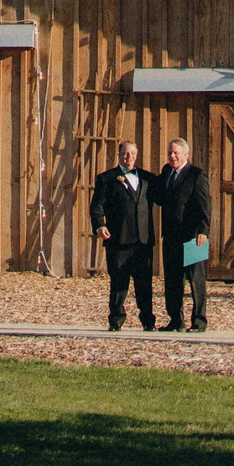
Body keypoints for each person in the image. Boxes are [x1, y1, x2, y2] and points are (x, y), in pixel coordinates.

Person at [89, 139, 160, 331]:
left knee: (144, 284)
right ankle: (116, 320)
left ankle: (147, 320)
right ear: (120, 155)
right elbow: (96, 206)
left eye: (133, 154)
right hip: (118, 240)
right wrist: (99, 226)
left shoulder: (147, 178)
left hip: (142, 241)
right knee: (119, 282)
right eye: (126, 153)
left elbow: (164, 197)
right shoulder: (107, 178)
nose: (129, 157)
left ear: (137, 156)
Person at [153, 137, 210, 332]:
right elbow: (158, 197)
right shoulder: (167, 173)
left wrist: (204, 230)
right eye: (170, 152)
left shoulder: (197, 175)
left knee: (196, 280)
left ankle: (199, 321)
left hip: (194, 237)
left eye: (176, 152)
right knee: (172, 280)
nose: (172, 156)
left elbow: (205, 206)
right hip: (171, 236)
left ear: (186, 154)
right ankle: (176, 320)